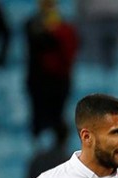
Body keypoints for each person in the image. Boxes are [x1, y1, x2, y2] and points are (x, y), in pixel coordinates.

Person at [25, 0, 78, 140]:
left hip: (59, 82)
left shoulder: (65, 28)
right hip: (39, 82)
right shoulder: (32, 25)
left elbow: (71, 50)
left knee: (57, 119)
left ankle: (57, 153)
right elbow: (38, 42)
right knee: (39, 121)